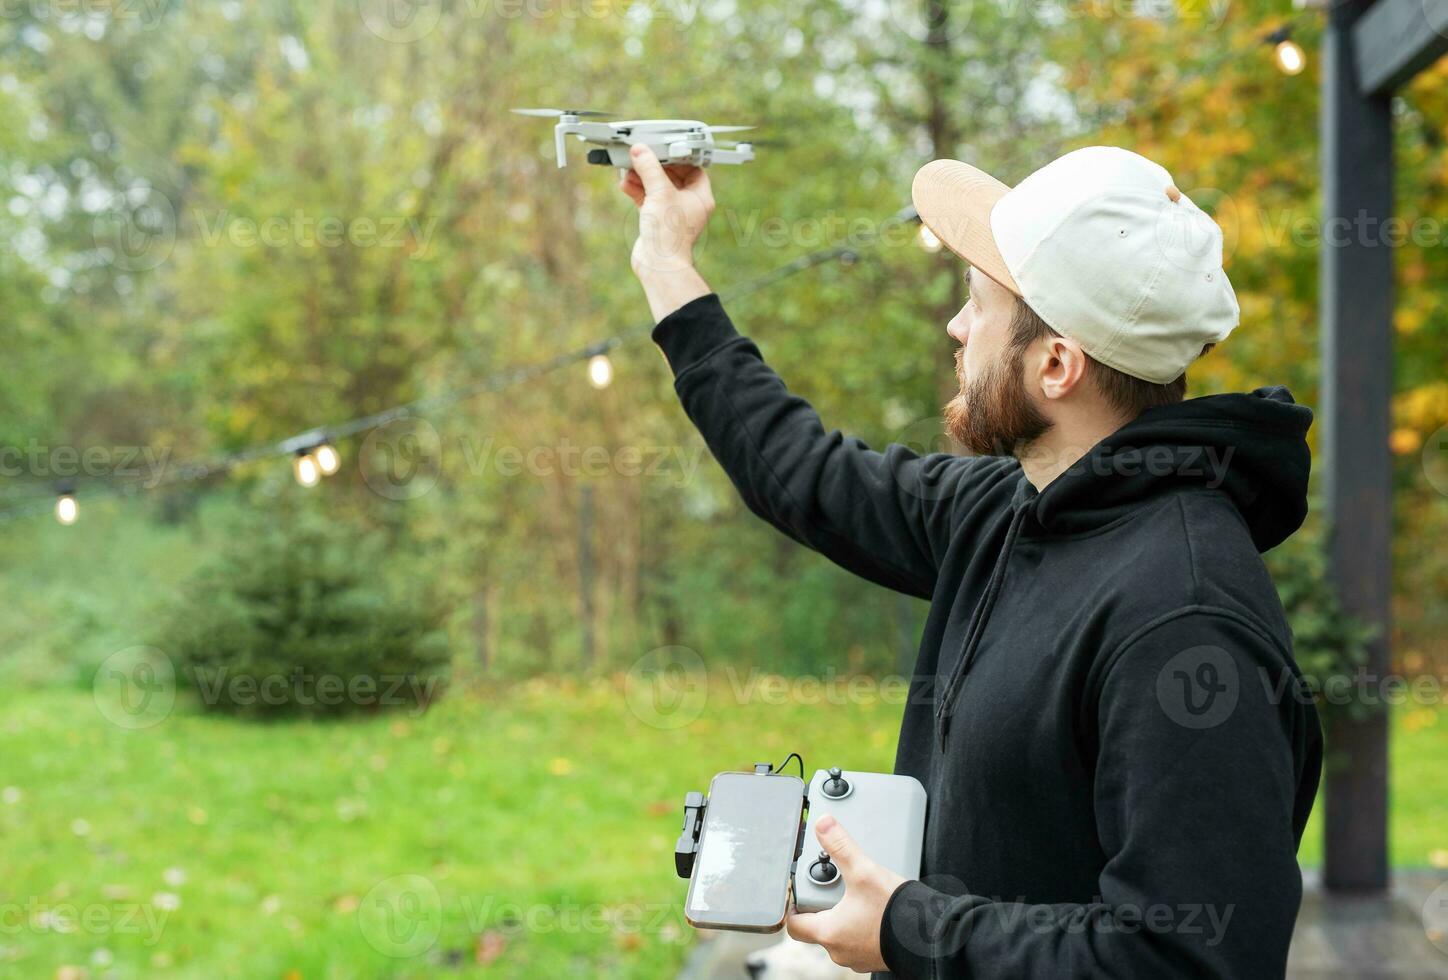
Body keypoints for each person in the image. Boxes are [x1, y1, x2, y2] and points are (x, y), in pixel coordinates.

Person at [621, 141, 1322, 978]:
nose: (956, 328)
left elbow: (1195, 959)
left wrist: (909, 933)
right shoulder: (1013, 506)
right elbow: (803, 472)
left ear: (1055, 364)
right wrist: (669, 265)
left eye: (978, 306)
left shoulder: (1185, 619)